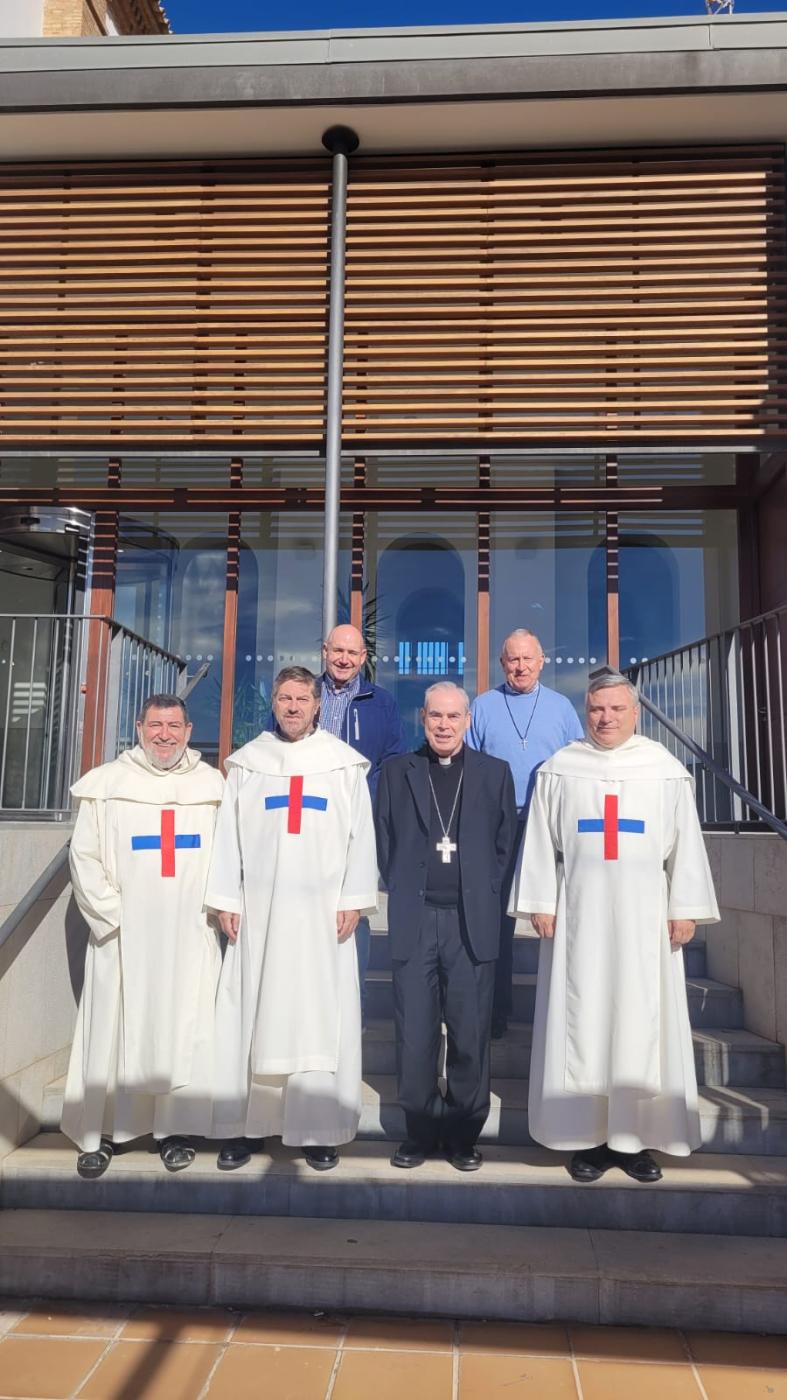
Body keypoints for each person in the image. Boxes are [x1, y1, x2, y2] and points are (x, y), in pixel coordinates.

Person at [511, 670, 720, 1184]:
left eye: (615, 709)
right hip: (579, 922)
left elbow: (685, 845)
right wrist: (541, 899)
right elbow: (540, 840)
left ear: (635, 713)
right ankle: (586, 1138)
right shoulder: (562, 769)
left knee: (638, 1022)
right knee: (582, 1021)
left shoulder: (663, 770)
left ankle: (635, 1141)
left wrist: (684, 907)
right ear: (586, 711)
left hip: (645, 924)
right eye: (596, 709)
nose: (605, 718)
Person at [206, 665, 378, 1172]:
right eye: (284, 698)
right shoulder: (249, 764)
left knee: (316, 1018)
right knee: (252, 1016)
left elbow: (360, 838)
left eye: (302, 699)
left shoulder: (343, 766)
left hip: (323, 919)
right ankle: (246, 1129)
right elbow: (227, 838)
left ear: (318, 704)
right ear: (274, 703)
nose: (294, 707)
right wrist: (226, 900)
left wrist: (354, 897)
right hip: (260, 914)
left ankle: (317, 1131)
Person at [62, 694, 225, 1179]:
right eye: (155, 726)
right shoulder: (109, 783)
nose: (165, 736)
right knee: (114, 1029)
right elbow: (84, 857)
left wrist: (217, 910)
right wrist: (111, 917)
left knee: (183, 1028)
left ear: (189, 730)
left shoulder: (210, 784)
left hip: (190, 932)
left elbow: (226, 855)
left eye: (174, 726)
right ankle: (104, 1133)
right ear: (138, 728)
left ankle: (174, 1131)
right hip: (123, 937)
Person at [375, 682, 517, 1172]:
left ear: (468, 721)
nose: (443, 725)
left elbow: (505, 845)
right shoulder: (397, 772)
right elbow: (384, 838)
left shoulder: (495, 775)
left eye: (453, 717)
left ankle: (461, 1135)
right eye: (435, 716)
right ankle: (419, 1130)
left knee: (470, 1034)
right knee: (415, 1035)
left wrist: (481, 889)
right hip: (415, 919)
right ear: (422, 718)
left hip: (469, 922)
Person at [467, 629, 583, 1037]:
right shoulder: (482, 706)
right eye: (512, 660)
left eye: (527, 659)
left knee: (556, 917)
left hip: (548, 825)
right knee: (493, 922)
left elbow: (577, 766)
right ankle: (495, 1013)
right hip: (494, 827)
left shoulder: (562, 708)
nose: (520, 667)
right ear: (502, 664)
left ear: (541, 661)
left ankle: (562, 1020)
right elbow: (468, 766)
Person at [318, 624, 406, 1025]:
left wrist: (378, 812)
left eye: (353, 653)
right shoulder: (305, 694)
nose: (345, 659)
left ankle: (355, 1005)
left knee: (356, 908)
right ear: (325, 651)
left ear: (363, 658)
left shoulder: (381, 702)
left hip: (359, 822)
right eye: (338, 650)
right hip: (309, 818)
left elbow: (392, 761)